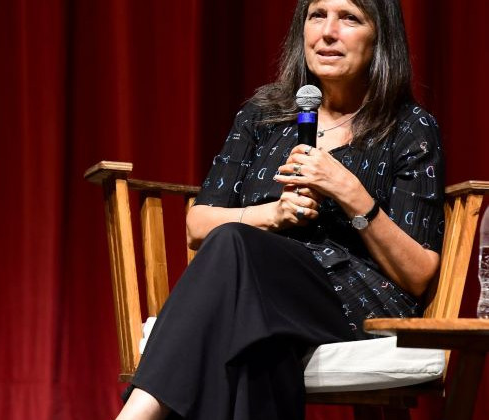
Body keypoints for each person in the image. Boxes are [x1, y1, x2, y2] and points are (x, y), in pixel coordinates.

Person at [116, 0, 445, 419]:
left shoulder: (410, 128)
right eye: (317, 15)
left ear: (381, 36)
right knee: (251, 325)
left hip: (355, 301)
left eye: (349, 18)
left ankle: (136, 414)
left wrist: (351, 193)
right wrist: (273, 214)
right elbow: (197, 224)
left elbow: (417, 276)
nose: (328, 32)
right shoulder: (264, 116)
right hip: (258, 291)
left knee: (236, 256)